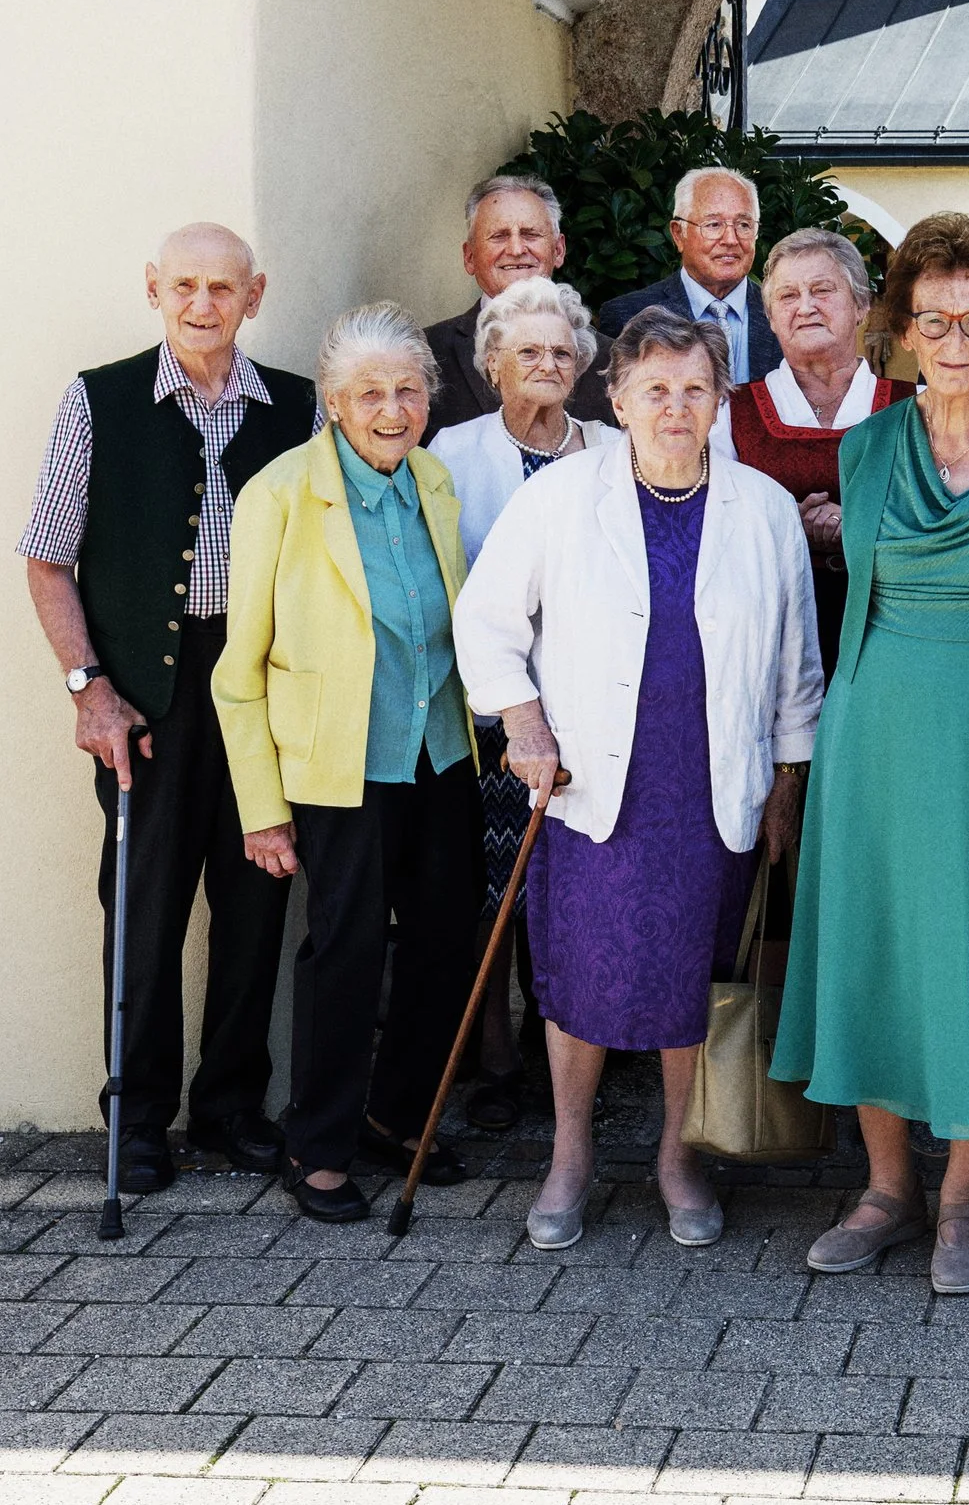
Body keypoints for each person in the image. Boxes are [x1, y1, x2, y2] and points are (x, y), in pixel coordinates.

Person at [454, 306, 822, 1253]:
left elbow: (795, 664)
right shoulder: (561, 497)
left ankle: (678, 1154)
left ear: (719, 400)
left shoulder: (765, 509)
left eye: (694, 388)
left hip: (709, 786)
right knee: (579, 970)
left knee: (692, 975)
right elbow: (488, 617)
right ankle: (570, 1151)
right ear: (614, 397)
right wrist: (523, 720)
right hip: (588, 785)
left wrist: (788, 780)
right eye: (653, 388)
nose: (674, 406)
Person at [776, 213, 969, 1298]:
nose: (954, 340)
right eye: (933, 320)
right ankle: (882, 1188)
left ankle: (963, 1198)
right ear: (901, 331)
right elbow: (850, 605)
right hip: (874, 739)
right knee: (875, 950)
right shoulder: (864, 451)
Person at [19, 223, 318, 1193]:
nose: (202, 304)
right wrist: (88, 689)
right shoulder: (98, 399)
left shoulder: (301, 409)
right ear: (153, 289)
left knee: (256, 899)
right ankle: (139, 1116)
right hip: (143, 692)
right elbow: (47, 558)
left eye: (222, 288)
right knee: (142, 909)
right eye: (184, 285)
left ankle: (232, 1106)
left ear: (254, 296)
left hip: (259, 685)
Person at [214, 304, 482, 1224]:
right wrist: (261, 808)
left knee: (447, 939)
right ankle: (316, 1142)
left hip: (439, 748)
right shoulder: (281, 493)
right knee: (348, 949)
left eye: (408, 388)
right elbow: (237, 669)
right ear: (333, 401)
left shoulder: (436, 481)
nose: (392, 407)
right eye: (369, 391)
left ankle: (393, 1113)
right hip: (341, 765)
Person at [427, 275, 616, 1134]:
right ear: (492, 363)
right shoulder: (452, 453)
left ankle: (569, 1056)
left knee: (573, 886)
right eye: (527, 351)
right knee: (493, 888)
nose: (547, 363)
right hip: (491, 706)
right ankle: (495, 1055)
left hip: (597, 705)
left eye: (561, 351)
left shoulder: (615, 450)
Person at [730, 229, 915, 676]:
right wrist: (785, 522)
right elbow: (713, 523)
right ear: (771, 319)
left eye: (822, 290)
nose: (805, 306)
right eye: (788, 296)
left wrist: (855, 525)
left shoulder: (916, 406)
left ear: (862, 307)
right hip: (773, 635)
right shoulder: (728, 412)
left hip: (891, 631)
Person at [423, 177, 615, 438]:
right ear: (469, 257)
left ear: (558, 250)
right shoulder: (429, 352)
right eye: (499, 236)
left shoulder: (611, 358)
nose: (515, 249)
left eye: (530, 234)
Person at [599, 167, 779, 385]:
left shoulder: (782, 312)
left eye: (744, 225)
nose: (731, 239)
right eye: (713, 225)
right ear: (678, 234)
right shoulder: (627, 315)